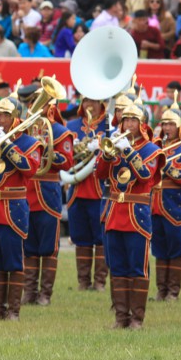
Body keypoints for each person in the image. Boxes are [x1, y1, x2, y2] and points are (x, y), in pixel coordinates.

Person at [0, 96, 41, 321]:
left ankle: (13, 311)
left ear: (15, 118)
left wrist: (8, 145)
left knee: (13, 260)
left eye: (6, 116)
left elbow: (29, 168)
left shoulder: (30, 143)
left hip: (13, 209)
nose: (1, 120)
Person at [96, 101, 160, 329]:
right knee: (119, 267)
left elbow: (145, 175)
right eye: (125, 120)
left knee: (137, 267)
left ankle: (137, 319)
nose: (129, 124)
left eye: (134, 120)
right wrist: (106, 154)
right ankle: (121, 317)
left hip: (137, 214)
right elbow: (99, 173)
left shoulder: (151, 149)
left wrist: (129, 152)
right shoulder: (115, 144)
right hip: (115, 212)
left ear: (142, 125)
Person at [19, 85, 74, 307]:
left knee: (48, 245)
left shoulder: (61, 132)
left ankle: (45, 294)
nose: (35, 109)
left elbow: (67, 161)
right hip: (27, 191)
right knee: (29, 244)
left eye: (40, 104)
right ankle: (29, 291)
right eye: (33, 104)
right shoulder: (25, 128)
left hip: (48, 192)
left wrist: (46, 150)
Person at [151, 97, 181, 302]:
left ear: (180, 127)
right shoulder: (154, 146)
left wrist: (169, 167)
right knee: (159, 247)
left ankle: (173, 291)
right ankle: (161, 290)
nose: (167, 128)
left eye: (171, 124)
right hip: (155, 204)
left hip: (175, 204)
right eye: (164, 124)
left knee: (175, 247)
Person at [63, 97, 110, 291]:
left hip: (99, 189)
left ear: (102, 104)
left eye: (94, 101)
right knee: (80, 237)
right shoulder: (72, 125)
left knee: (100, 238)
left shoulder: (108, 126)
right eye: (86, 101)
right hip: (78, 188)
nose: (89, 105)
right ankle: (83, 282)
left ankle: (99, 282)